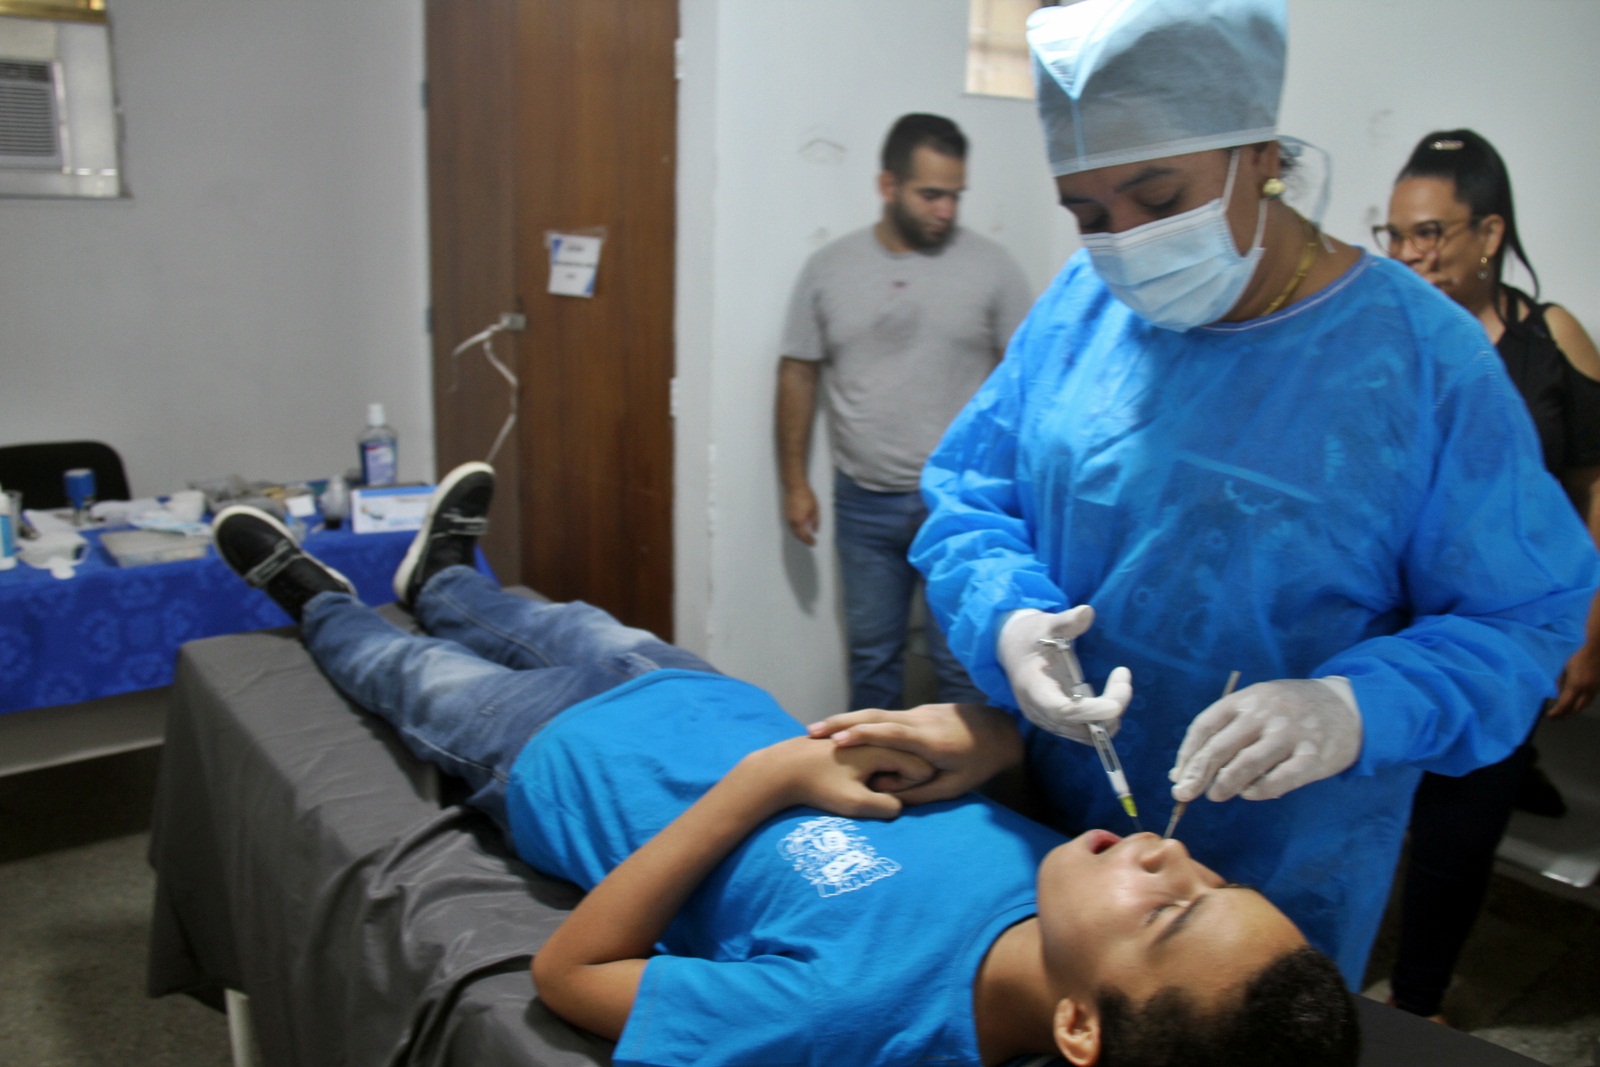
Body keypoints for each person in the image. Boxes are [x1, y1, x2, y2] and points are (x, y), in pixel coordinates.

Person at [808, 0, 1599, 989]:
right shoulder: (1079, 306)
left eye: (1156, 196)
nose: (1124, 242)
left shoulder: (1420, 361)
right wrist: (1011, 623)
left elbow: (1518, 618)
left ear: (1259, 153)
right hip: (1062, 836)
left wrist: (1353, 706)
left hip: (1284, 870)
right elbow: (974, 494)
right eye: (1088, 214)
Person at [210, 462, 1358, 1067]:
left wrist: (762, 783)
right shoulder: (1066, 869)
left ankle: (315, 599)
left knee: (400, 677)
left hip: (557, 760)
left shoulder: (855, 1017)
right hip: (689, 690)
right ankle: (446, 576)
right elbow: (985, 754)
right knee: (541, 613)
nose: (1168, 857)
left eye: (1168, 914)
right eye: (1210, 878)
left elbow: (569, 973)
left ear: (1078, 1027)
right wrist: (989, 733)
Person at [1376, 129, 1600, 1021]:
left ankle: (1420, 1002)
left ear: (1490, 233)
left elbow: (1593, 481)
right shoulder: (1388, 337)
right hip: (1396, 630)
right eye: (1395, 235)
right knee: (1370, 814)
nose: (1410, 255)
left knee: (1458, 833)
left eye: (1430, 233)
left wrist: (1591, 625)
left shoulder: (1551, 340)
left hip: (1503, 638)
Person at [776, 112, 1034, 711]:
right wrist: (794, 483)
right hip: (864, 501)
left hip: (961, 506)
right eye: (930, 194)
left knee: (964, 664)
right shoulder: (830, 268)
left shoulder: (993, 270)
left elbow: (1029, 386)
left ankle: (968, 802)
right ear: (887, 186)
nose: (945, 210)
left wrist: (1018, 494)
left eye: (955, 196)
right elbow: (796, 369)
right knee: (872, 659)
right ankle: (877, 793)